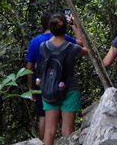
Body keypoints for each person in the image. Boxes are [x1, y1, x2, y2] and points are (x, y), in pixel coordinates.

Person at [26, 11, 82, 141]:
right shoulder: (66, 40)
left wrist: (31, 88)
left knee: (45, 121)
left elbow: (29, 66)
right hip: (67, 85)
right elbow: (81, 45)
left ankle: (41, 142)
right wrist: (74, 25)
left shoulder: (37, 43)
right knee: (67, 130)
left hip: (45, 85)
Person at [39, 13, 87, 145]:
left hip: (49, 89)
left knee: (49, 132)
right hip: (70, 90)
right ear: (65, 28)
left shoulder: (43, 47)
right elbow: (86, 49)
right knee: (67, 131)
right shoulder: (73, 48)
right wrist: (75, 27)